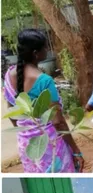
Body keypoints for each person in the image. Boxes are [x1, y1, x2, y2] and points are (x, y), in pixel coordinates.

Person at [3, 29, 84, 172]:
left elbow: (11, 111)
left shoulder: (9, 75)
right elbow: (58, 122)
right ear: (36, 53)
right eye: (45, 47)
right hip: (49, 146)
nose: (47, 50)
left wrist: (27, 129)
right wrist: (75, 150)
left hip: (27, 145)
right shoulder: (44, 81)